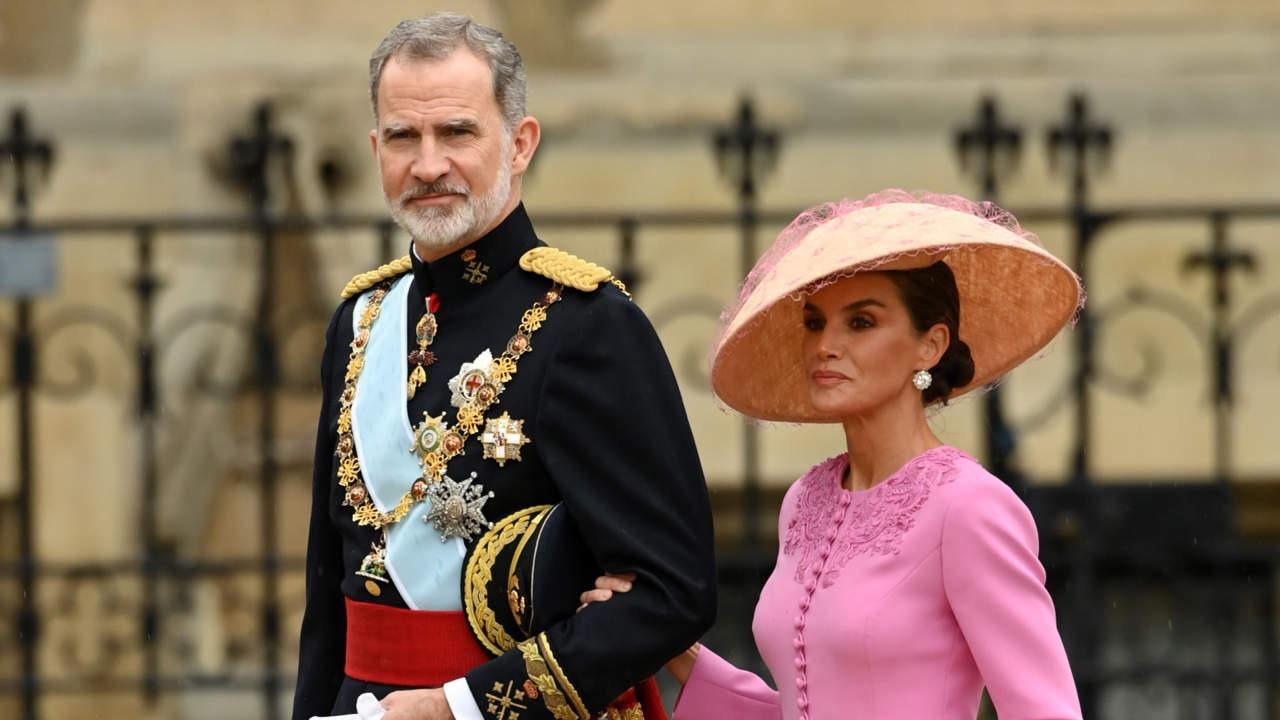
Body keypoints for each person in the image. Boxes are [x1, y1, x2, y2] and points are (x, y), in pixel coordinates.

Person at [291, 13, 717, 720]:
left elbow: (674, 592)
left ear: (520, 144)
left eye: (457, 132)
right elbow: (327, 591)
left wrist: (460, 706)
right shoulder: (360, 322)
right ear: (376, 150)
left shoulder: (587, 324)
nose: (428, 165)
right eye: (403, 137)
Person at [582, 190, 1085, 719]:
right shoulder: (804, 500)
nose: (826, 345)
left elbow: (1045, 710)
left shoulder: (970, 507)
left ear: (930, 345)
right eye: (815, 322)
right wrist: (674, 652)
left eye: (861, 322)